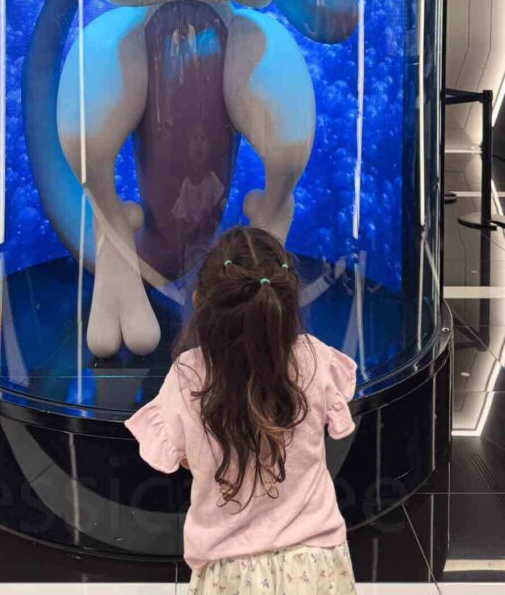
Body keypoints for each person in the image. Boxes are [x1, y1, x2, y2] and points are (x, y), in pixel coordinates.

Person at [125, 225, 357, 595]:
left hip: (230, 573)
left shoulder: (188, 376)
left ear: (200, 301)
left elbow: (183, 458)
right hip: (315, 565)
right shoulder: (317, 358)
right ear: (287, 300)